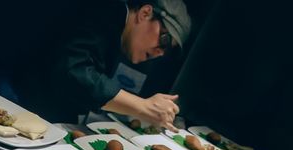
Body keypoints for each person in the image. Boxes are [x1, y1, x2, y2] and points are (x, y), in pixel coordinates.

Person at [10, 0, 191, 131]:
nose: (161, 52)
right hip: (15, 99)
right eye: (165, 40)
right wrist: (143, 106)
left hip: (46, 116)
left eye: (169, 52)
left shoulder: (119, 31)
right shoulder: (103, 11)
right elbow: (72, 70)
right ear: (145, 13)